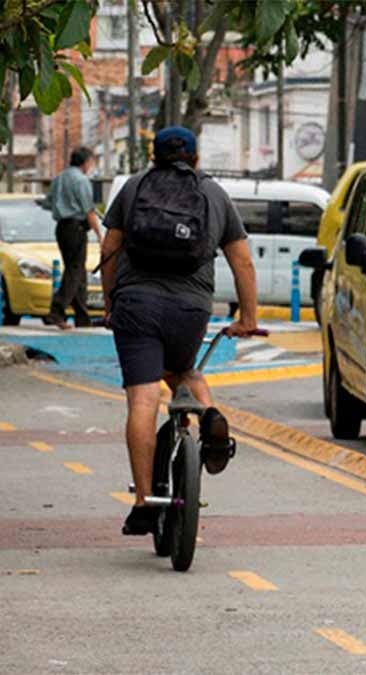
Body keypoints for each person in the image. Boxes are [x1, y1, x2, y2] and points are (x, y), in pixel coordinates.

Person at [99, 126, 259, 536]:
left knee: (143, 398)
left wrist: (112, 302)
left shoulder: (134, 187)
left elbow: (108, 250)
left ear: (152, 154)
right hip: (190, 308)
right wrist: (248, 320)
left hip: (136, 304)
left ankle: (143, 503)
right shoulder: (214, 194)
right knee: (185, 371)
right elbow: (242, 262)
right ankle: (208, 418)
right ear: (195, 158)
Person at [42, 147, 104, 329]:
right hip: (76, 227)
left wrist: (63, 206)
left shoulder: (60, 177)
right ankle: (56, 310)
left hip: (62, 227)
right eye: (91, 162)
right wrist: (100, 235)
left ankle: (82, 316)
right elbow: (89, 210)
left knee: (77, 271)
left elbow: (47, 202)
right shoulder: (81, 180)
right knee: (74, 269)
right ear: (85, 162)